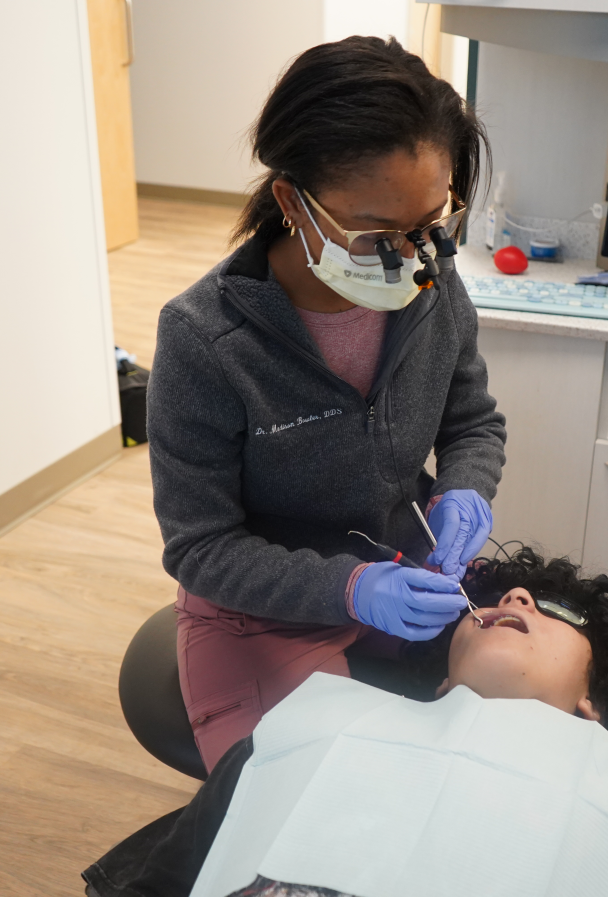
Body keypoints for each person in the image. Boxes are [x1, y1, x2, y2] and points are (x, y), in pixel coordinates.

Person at [146, 35, 506, 773]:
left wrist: (466, 488)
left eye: (430, 225)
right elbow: (199, 545)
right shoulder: (204, 341)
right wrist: (346, 587)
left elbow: (473, 421)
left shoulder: (431, 284)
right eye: (377, 235)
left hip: (406, 570)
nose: (411, 257)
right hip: (262, 609)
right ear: (291, 201)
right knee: (317, 831)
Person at [83, 551, 608, 897]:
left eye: (553, 608)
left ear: (595, 702)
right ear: (440, 677)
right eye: (494, 598)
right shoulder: (310, 732)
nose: (515, 598)